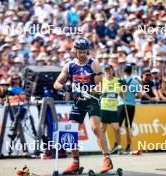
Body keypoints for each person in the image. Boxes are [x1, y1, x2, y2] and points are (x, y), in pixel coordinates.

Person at [54, 37, 113, 174]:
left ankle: (107, 159)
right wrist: (64, 88)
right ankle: (75, 162)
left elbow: (100, 86)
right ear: (75, 51)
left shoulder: (94, 64)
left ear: (88, 51)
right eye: (79, 52)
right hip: (78, 101)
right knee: (71, 131)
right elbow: (56, 83)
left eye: (84, 52)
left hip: (92, 100)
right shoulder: (69, 66)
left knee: (95, 128)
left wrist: (88, 91)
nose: (82, 54)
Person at [117, 64, 141, 152]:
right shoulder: (135, 82)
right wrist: (132, 94)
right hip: (131, 105)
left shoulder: (120, 80)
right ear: (131, 71)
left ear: (124, 71)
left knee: (118, 126)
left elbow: (118, 93)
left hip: (121, 104)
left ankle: (118, 145)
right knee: (128, 126)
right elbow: (139, 95)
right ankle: (129, 145)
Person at [100, 64, 123, 154]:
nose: (108, 72)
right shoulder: (102, 80)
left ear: (113, 71)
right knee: (102, 130)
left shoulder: (118, 80)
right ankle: (105, 149)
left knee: (116, 128)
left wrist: (123, 94)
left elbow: (121, 93)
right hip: (104, 108)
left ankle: (119, 147)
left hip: (113, 108)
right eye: (106, 70)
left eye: (109, 70)